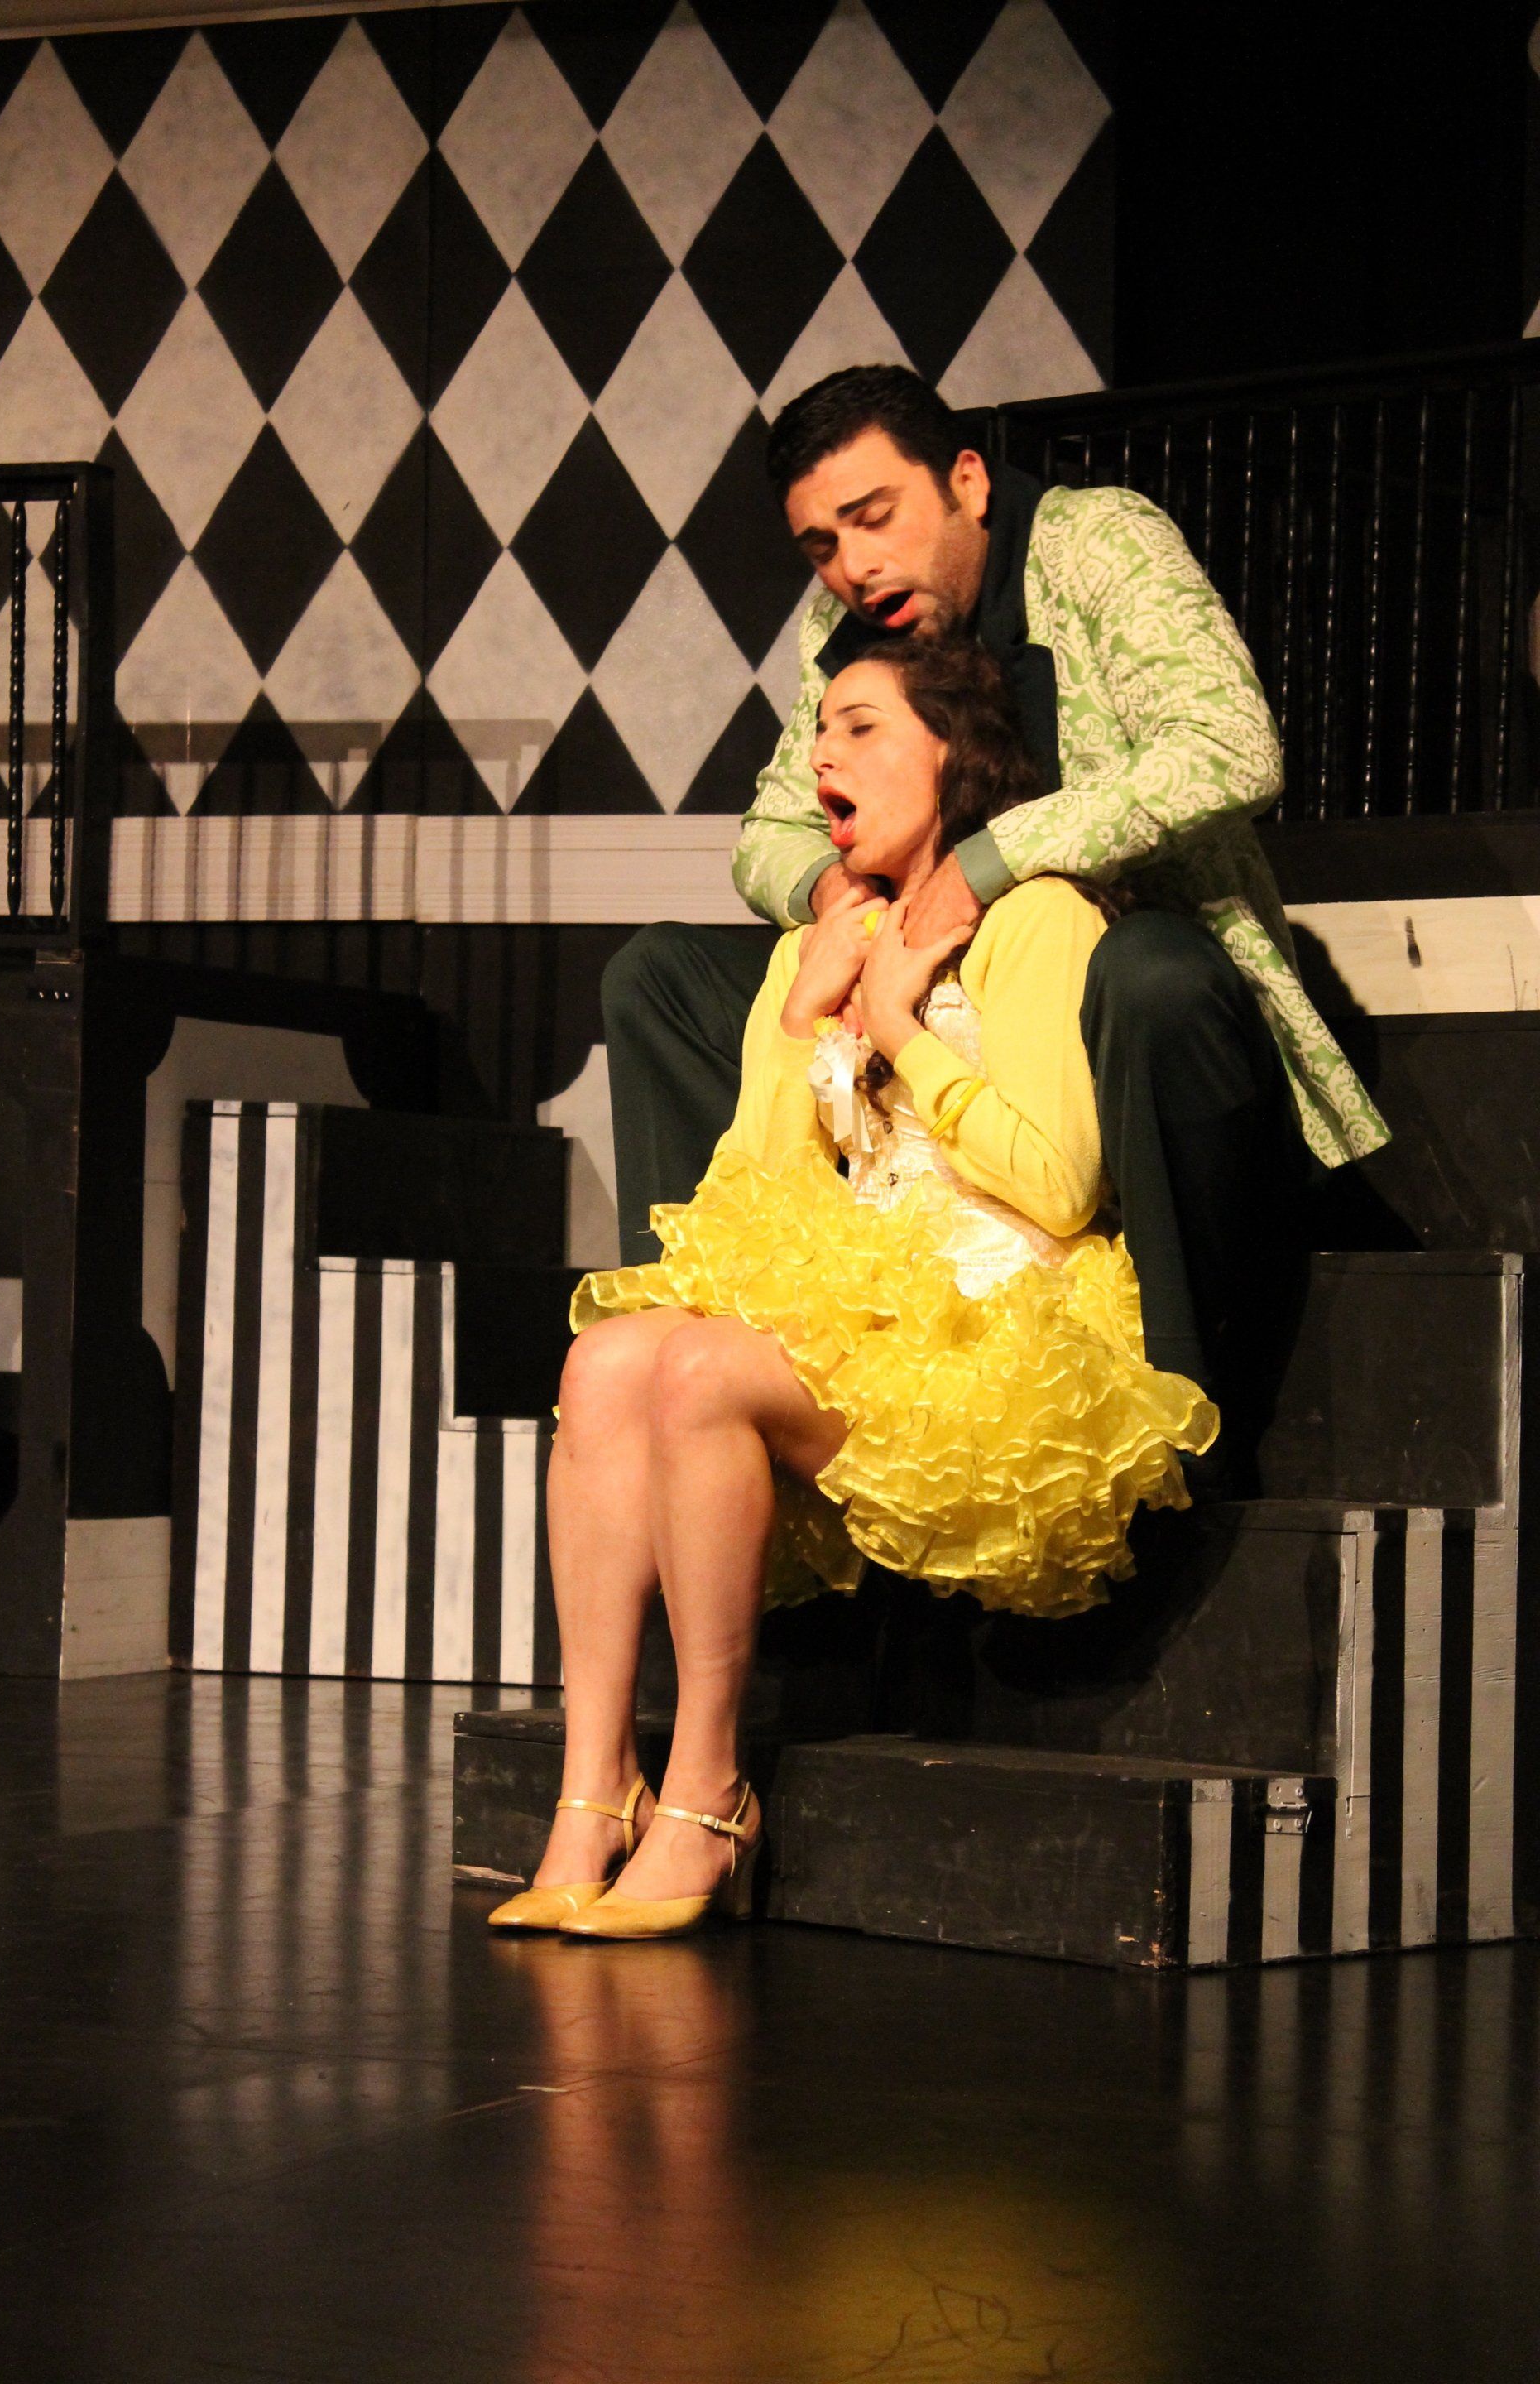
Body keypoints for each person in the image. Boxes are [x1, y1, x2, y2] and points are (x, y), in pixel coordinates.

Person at [487, 637, 1216, 1943]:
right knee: (603, 1362)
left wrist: (900, 1034)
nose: (823, 755)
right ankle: (593, 1790)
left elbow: (1061, 1185)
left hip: (999, 1325)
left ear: (956, 755)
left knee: (698, 1372)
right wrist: (802, 1021)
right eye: (820, 730)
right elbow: (753, 1195)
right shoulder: (816, 941)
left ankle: (708, 1791)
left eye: (863, 727)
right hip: (865, 1302)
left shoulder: (1037, 916)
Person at [602, 367, 1387, 1455]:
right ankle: (702, 1360)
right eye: (822, 546)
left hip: (1117, 978)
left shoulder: (1094, 543)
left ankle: (1185, 1424)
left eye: (875, 518)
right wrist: (845, 906)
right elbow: (769, 835)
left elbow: (1227, 746)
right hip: (936, 984)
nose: (853, 566)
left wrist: (985, 863)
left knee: (1151, 977)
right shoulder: (843, 629)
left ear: (967, 483)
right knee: (659, 979)